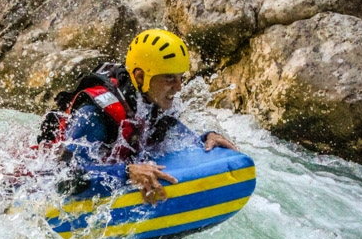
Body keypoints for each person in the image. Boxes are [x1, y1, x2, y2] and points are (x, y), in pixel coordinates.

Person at [41, 28, 237, 204]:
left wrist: (207, 138)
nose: (178, 88)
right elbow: (65, 179)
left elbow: (181, 140)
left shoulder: (150, 104)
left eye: (180, 78)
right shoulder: (95, 115)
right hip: (43, 178)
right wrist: (127, 172)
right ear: (141, 77)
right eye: (170, 78)